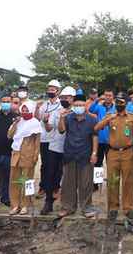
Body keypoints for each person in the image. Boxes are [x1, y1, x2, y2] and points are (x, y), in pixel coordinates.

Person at [93, 93, 133, 220]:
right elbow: (96, 128)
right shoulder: (110, 116)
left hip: (128, 152)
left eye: (122, 102)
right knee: (113, 181)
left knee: (127, 181)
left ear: (126, 103)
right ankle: (113, 208)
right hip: (113, 153)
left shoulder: (132, 117)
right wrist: (108, 119)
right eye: (117, 101)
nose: (119, 104)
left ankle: (127, 208)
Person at [57, 94, 99, 218]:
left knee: (86, 183)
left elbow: (95, 136)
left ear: (85, 106)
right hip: (70, 154)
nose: (79, 107)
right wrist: (61, 118)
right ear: (73, 106)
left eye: (81, 105)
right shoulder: (68, 117)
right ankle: (67, 207)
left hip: (85, 155)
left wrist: (94, 153)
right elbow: (61, 130)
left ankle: (86, 207)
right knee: (68, 183)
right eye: (76, 105)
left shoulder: (92, 119)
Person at [40, 85, 75, 214]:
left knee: (66, 176)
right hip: (55, 146)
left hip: (70, 148)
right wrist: (45, 122)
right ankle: (48, 202)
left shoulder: (77, 112)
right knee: (51, 174)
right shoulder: (57, 111)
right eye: (63, 97)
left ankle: (67, 204)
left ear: (73, 98)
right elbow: (51, 129)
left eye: (67, 97)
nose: (65, 99)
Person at [7, 100, 42, 215]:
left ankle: (26, 204)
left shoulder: (35, 122)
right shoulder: (18, 121)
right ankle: (15, 204)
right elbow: (9, 135)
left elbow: (37, 141)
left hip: (28, 154)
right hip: (16, 153)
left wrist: (35, 155)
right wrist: (15, 123)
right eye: (23, 109)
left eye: (27, 110)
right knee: (15, 180)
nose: (25, 112)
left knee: (27, 180)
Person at [36, 80, 62, 198]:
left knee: (57, 165)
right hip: (44, 138)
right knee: (45, 164)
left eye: (53, 89)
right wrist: (37, 108)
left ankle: (56, 187)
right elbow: (38, 117)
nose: (50, 91)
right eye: (49, 89)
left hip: (57, 139)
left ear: (58, 91)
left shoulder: (61, 104)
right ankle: (43, 186)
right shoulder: (44, 105)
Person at [89, 89, 117, 184]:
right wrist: (96, 100)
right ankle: (97, 182)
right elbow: (90, 110)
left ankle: (111, 182)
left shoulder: (116, 108)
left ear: (113, 97)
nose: (108, 97)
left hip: (111, 141)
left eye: (110, 95)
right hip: (99, 140)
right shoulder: (99, 107)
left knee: (111, 163)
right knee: (98, 163)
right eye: (106, 95)